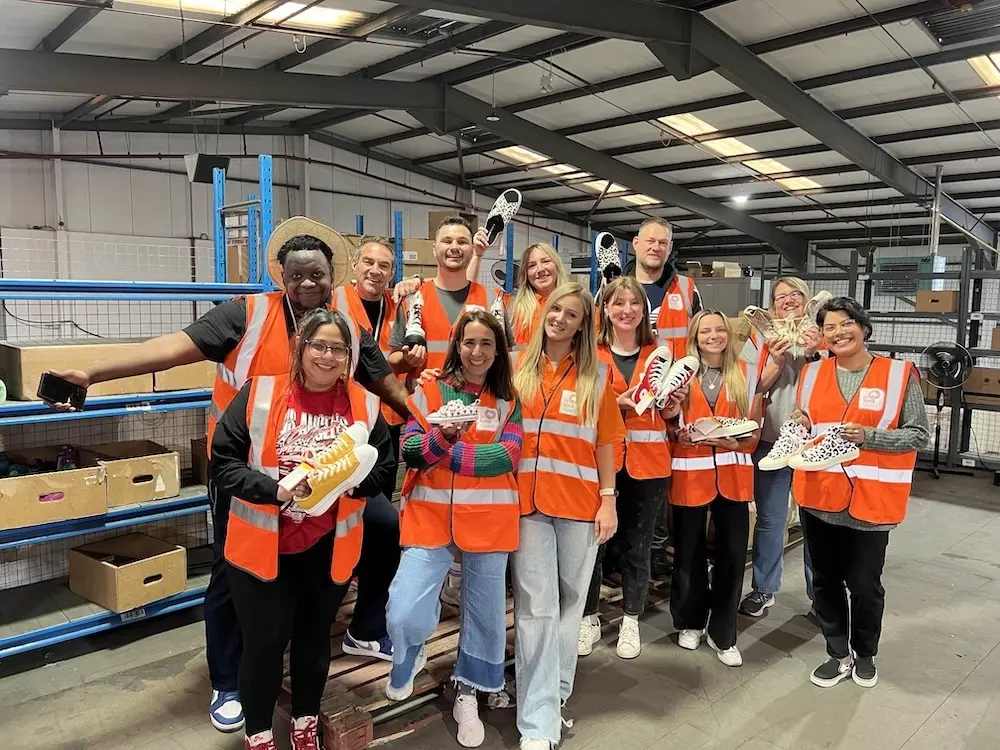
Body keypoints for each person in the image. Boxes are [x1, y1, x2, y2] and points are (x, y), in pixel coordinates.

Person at [48, 218, 410, 733]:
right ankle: (228, 678)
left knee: (383, 527)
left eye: (318, 275)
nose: (308, 284)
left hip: (323, 486)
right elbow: (170, 348)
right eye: (297, 275)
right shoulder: (247, 315)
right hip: (245, 476)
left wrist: (428, 420)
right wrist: (93, 372)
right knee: (231, 572)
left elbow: (385, 382)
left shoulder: (343, 328)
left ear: (334, 277)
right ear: (281, 277)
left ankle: (357, 630)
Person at [210, 308, 395, 750]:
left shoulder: (365, 404)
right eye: (319, 346)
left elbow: (384, 469)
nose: (327, 357)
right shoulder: (260, 393)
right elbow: (223, 462)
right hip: (262, 550)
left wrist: (344, 483)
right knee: (265, 646)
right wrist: (273, 490)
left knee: (313, 644)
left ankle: (304, 724)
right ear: (300, 347)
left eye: (338, 349)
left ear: (349, 357)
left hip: (327, 548)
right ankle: (259, 734)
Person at [386, 310, 522, 749]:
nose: (477, 352)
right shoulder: (429, 390)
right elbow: (411, 450)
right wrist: (443, 438)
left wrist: (447, 453)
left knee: (485, 615)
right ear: (456, 345)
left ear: (498, 351)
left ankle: (470, 691)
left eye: (486, 343)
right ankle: (409, 652)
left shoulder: (508, 399)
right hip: (429, 517)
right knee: (404, 607)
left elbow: (508, 456)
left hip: (489, 520)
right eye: (469, 342)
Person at [511, 282, 626, 750]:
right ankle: (538, 722)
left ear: (582, 326)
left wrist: (608, 499)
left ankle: (555, 693)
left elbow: (606, 442)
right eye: (556, 309)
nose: (560, 318)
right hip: (527, 506)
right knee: (537, 608)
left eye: (572, 314)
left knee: (572, 602)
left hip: (580, 505)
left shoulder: (596, 377)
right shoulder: (516, 366)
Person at [793, 297, 927, 689]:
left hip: (872, 499)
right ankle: (838, 653)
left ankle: (865, 653)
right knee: (825, 581)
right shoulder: (811, 374)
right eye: (829, 327)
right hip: (819, 495)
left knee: (865, 584)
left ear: (864, 328)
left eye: (846, 323)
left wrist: (870, 437)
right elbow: (810, 424)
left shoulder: (898, 374)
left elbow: (918, 434)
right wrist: (799, 422)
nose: (838, 333)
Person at [389, 216, 515, 607]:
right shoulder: (414, 296)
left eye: (462, 240)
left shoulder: (492, 298)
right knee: (432, 514)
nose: (454, 247)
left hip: (483, 415)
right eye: (447, 241)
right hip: (429, 414)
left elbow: (505, 355)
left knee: (473, 511)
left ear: (471, 247)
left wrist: (446, 453)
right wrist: (412, 363)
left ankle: (457, 578)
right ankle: (431, 585)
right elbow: (391, 359)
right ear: (435, 248)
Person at [580, 276, 681, 660]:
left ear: (644, 310)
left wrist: (673, 405)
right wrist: (615, 402)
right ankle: (588, 617)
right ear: (605, 309)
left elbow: (669, 413)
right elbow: (581, 402)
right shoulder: (591, 352)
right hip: (600, 462)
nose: (626, 310)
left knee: (639, 546)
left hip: (649, 465)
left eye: (634, 303)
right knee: (595, 544)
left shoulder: (661, 353)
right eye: (618, 303)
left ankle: (631, 619)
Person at [669, 310, 762, 667]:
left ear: (728, 334)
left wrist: (730, 442)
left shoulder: (746, 373)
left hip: (733, 476)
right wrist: (678, 433)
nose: (713, 336)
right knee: (688, 554)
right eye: (705, 331)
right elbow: (668, 423)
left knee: (733, 556)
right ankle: (690, 621)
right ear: (695, 336)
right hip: (690, 474)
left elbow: (753, 430)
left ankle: (723, 633)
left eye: (720, 330)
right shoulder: (681, 373)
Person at [740, 276, 824, 617]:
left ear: (806, 298)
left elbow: (838, 380)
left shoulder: (824, 333)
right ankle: (764, 589)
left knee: (815, 523)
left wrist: (815, 352)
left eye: (794, 294)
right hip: (771, 441)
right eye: (780, 297)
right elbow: (749, 386)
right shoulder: (760, 336)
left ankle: (821, 598)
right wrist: (775, 362)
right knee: (770, 521)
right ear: (772, 305)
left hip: (814, 446)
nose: (788, 300)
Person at [625, 217, 701, 581]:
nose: (656, 248)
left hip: (672, 399)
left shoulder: (686, 288)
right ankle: (619, 555)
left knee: (659, 481)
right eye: (650, 241)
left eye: (663, 243)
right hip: (627, 395)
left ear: (670, 248)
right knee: (623, 478)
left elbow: (700, 340)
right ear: (636, 243)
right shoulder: (615, 285)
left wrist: (686, 393)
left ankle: (655, 553)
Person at [469, 241, 569, 349]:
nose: (540, 269)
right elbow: (469, 292)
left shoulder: (574, 305)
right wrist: (476, 255)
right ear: (525, 273)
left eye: (546, 261)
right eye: (532, 265)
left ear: (557, 265)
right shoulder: (510, 303)